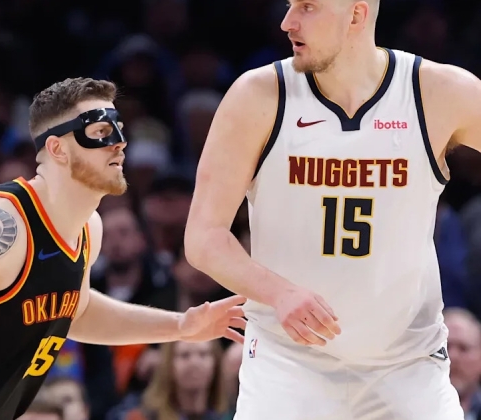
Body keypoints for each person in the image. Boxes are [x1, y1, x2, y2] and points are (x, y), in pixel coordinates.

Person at [0, 77, 247, 420]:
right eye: (101, 131)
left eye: (120, 129)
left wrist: (181, 327)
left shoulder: (89, 228)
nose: (119, 143)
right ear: (58, 149)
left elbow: (77, 311)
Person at [184, 0, 481, 419]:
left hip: (407, 364)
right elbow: (203, 237)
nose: (287, 22)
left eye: (307, 7)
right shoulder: (258, 96)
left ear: (356, 15)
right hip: (287, 363)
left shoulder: (437, 91)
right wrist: (278, 292)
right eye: (290, 6)